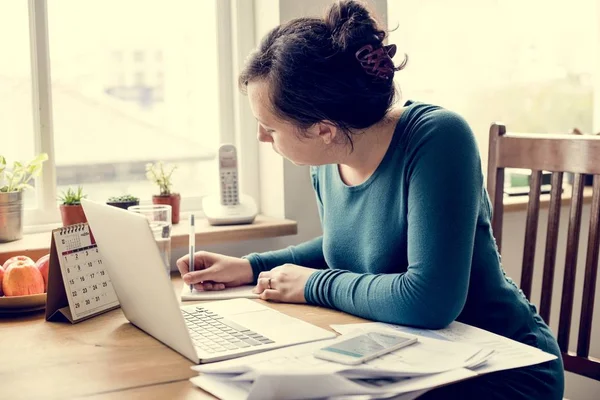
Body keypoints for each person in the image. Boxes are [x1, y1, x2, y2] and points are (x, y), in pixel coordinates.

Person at [176, 1, 564, 398]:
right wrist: (250, 266)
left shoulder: (438, 138)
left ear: (323, 130)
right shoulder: (327, 158)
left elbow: (429, 301)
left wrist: (311, 285)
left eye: (269, 128)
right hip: (412, 359)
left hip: (501, 365)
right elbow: (349, 246)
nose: (261, 138)